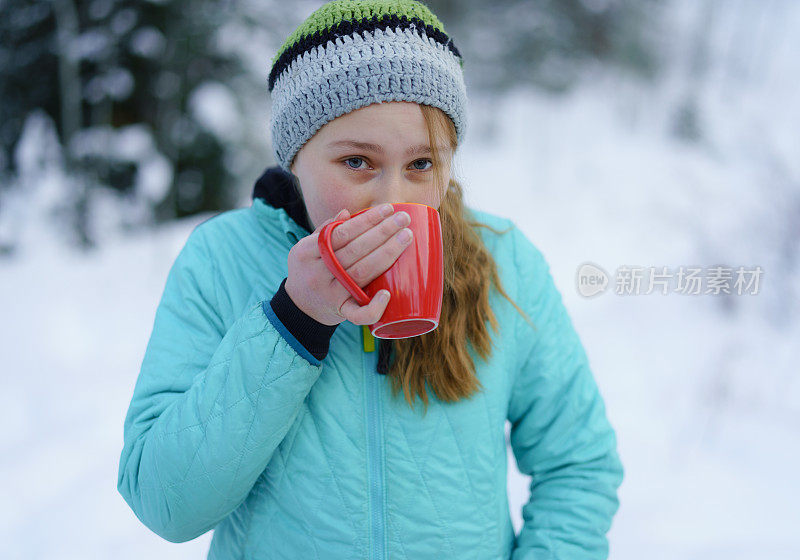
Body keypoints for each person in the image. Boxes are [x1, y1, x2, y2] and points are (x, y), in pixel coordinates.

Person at [117, 1, 624, 558]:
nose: (393, 200)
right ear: (296, 156)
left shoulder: (506, 262)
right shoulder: (220, 259)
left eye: (421, 165)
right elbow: (165, 502)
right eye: (357, 161)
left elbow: (579, 465)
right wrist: (293, 320)